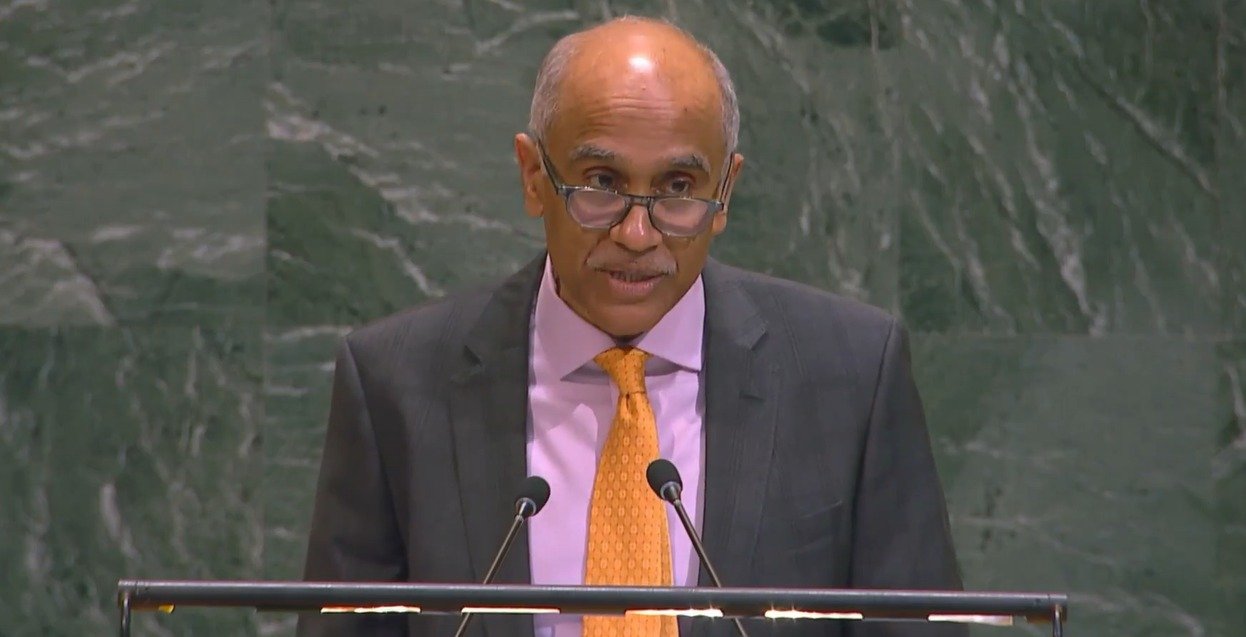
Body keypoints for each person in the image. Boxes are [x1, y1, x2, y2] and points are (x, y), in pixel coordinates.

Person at [298, 16, 965, 637]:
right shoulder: (397, 382)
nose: (638, 234)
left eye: (677, 188)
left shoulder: (851, 375)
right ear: (533, 176)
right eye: (601, 182)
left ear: (724, 192)